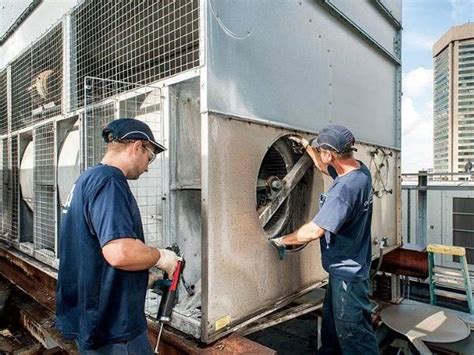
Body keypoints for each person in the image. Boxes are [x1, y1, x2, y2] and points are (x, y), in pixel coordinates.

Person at [56, 118, 181, 354]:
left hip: (91, 318)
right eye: (150, 157)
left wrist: (142, 278)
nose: (147, 167)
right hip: (112, 328)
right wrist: (161, 257)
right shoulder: (111, 181)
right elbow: (120, 252)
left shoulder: (87, 179)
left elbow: (92, 248)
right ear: (137, 147)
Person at [270, 124, 378, 355]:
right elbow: (322, 167)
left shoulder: (344, 191)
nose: (320, 154)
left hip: (347, 276)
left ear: (330, 154)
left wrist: (280, 240)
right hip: (348, 268)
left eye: (322, 150)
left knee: (355, 337)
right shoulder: (360, 172)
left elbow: (314, 231)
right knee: (332, 331)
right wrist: (309, 147)